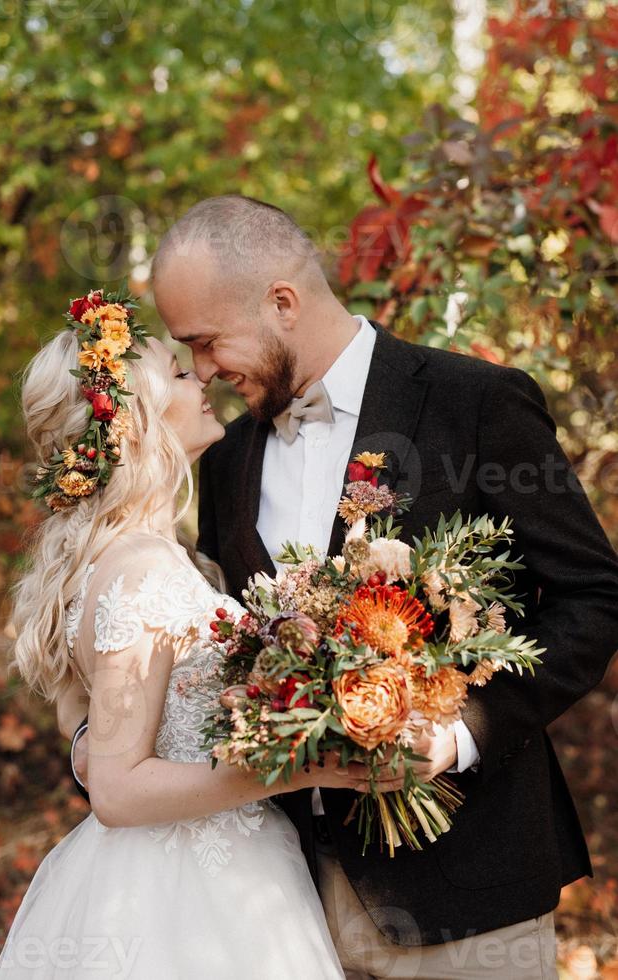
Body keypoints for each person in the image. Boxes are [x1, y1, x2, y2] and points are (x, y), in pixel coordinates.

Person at [146, 194, 618, 979]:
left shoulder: (477, 404)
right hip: (283, 904)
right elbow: (224, 649)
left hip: (470, 895)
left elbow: (594, 597)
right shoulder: (226, 460)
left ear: (283, 303)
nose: (201, 372)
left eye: (206, 343)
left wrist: (464, 730)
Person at [0, 316, 384, 978]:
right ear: (139, 423)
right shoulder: (140, 568)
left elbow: (91, 733)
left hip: (229, 869)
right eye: (177, 372)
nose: (200, 377)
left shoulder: (142, 556)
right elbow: (116, 790)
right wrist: (307, 769)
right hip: (181, 898)